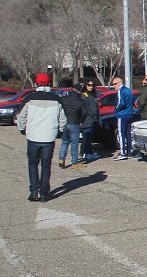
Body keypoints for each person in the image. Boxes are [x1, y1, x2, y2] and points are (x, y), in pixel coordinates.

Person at [17, 73, 66, 202]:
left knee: (33, 164)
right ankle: (44, 193)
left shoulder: (30, 98)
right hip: (49, 137)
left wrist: (22, 129)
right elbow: (63, 119)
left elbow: (21, 117)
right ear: (49, 83)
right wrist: (59, 131)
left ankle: (34, 191)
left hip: (33, 136)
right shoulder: (56, 99)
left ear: (36, 84)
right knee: (46, 165)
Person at [58, 84, 87, 168]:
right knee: (74, 143)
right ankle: (74, 162)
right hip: (75, 122)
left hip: (65, 122)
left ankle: (61, 159)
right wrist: (81, 121)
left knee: (65, 142)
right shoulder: (81, 101)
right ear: (80, 91)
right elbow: (85, 112)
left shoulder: (64, 99)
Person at [111, 76, 135, 160]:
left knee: (121, 134)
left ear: (119, 83)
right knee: (128, 134)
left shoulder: (121, 91)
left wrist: (116, 109)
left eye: (115, 84)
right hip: (129, 114)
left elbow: (121, 103)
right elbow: (132, 101)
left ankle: (122, 153)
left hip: (122, 115)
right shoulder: (128, 90)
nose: (114, 86)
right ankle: (128, 151)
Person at [79, 80, 101, 161]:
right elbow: (85, 108)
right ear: (85, 86)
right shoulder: (84, 95)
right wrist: (91, 114)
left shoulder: (93, 95)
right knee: (87, 137)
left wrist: (97, 117)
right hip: (87, 119)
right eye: (89, 85)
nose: (91, 87)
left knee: (89, 137)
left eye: (92, 85)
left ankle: (87, 152)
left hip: (93, 119)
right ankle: (86, 153)